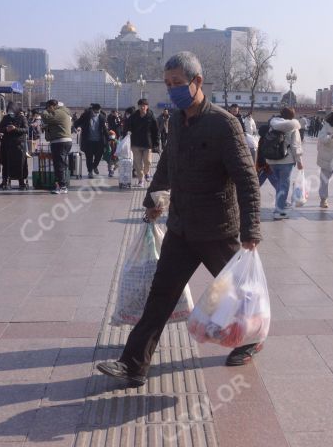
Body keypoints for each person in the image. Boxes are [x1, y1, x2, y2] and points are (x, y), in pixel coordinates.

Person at [96, 51, 262, 386]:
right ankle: (133, 365)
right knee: (161, 295)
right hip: (182, 228)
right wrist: (152, 199)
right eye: (168, 84)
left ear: (197, 82)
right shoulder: (177, 120)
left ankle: (251, 339)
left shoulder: (223, 124)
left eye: (178, 83)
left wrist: (251, 228)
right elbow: (167, 165)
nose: (172, 89)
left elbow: (246, 178)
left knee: (238, 294)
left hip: (218, 230)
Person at [266, 106, 304, 220]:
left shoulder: (273, 125)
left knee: (279, 185)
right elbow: (295, 146)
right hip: (286, 161)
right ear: (292, 115)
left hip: (272, 160)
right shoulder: (293, 127)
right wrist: (299, 161)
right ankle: (279, 211)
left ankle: (279, 206)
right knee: (283, 185)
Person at [125, 98, 159, 187]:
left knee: (147, 161)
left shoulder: (151, 116)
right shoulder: (133, 116)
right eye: (140, 105)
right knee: (137, 163)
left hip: (147, 143)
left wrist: (156, 143)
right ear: (138, 106)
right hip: (135, 143)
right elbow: (127, 126)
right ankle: (141, 180)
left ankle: (147, 172)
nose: (142, 107)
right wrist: (126, 135)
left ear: (147, 106)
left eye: (144, 105)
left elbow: (156, 131)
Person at [41, 99, 73, 193]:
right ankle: (60, 185)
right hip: (61, 141)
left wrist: (44, 111)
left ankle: (62, 187)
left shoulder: (59, 112)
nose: (48, 110)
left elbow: (46, 117)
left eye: (48, 108)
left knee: (59, 164)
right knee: (60, 164)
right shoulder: (62, 112)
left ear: (51, 106)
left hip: (60, 142)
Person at [0, 102, 29, 190]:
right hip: (7, 144)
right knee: (6, 163)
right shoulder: (5, 118)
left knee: (20, 163)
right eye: (9, 110)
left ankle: (21, 181)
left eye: (11, 110)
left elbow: (26, 129)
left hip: (19, 144)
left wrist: (15, 129)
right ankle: (5, 180)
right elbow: (0, 128)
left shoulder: (22, 118)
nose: (10, 112)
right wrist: (6, 129)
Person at [74, 103, 108, 178]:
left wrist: (108, 139)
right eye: (95, 112)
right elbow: (78, 122)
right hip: (88, 140)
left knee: (99, 156)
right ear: (92, 110)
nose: (97, 114)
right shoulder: (86, 115)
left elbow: (105, 129)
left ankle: (94, 166)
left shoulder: (102, 117)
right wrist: (76, 127)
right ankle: (90, 171)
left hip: (99, 141)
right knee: (89, 157)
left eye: (98, 112)